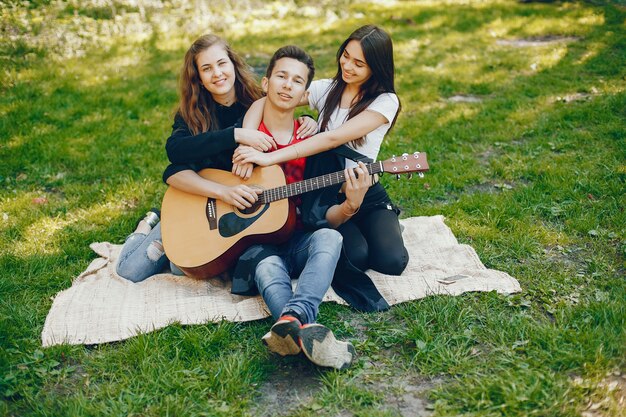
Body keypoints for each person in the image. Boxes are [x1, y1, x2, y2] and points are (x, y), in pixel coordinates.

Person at [115, 34, 317, 282]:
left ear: (233, 64)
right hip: (198, 197)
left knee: (181, 269)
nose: (217, 73)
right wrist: (234, 135)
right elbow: (174, 156)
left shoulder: (256, 103)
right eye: (206, 68)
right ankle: (148, 223)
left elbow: (288, 112)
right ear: (198, 77)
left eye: (222, 63)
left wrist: (308, 122)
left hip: (232, 209)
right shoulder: (193, 113)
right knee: (130, 271)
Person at [234, 25, 409, 288]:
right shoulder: (327, 89)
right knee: (356, 258)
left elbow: (332, 138)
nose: (347, 66)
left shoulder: (385, 102)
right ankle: (360, 231)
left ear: (376, 67)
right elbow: (270, 98)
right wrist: (248, 141)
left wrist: (269, 158)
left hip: (367, 194)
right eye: (346, 55)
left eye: (359, 63)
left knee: (392, 262)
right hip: (327, 196)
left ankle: (382, 223)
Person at [235, 45, 356, 370]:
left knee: (330, 238)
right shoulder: (248, 136)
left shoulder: (313, 141)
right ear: (266, 82)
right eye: (281, 76)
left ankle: (292, 320)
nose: (288, 85)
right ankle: (303, 329)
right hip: (257, 241)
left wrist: (349, 205)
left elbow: (323, 212)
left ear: (305, 92)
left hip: (299, 237)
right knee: (267, 268)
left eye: (297, 81)